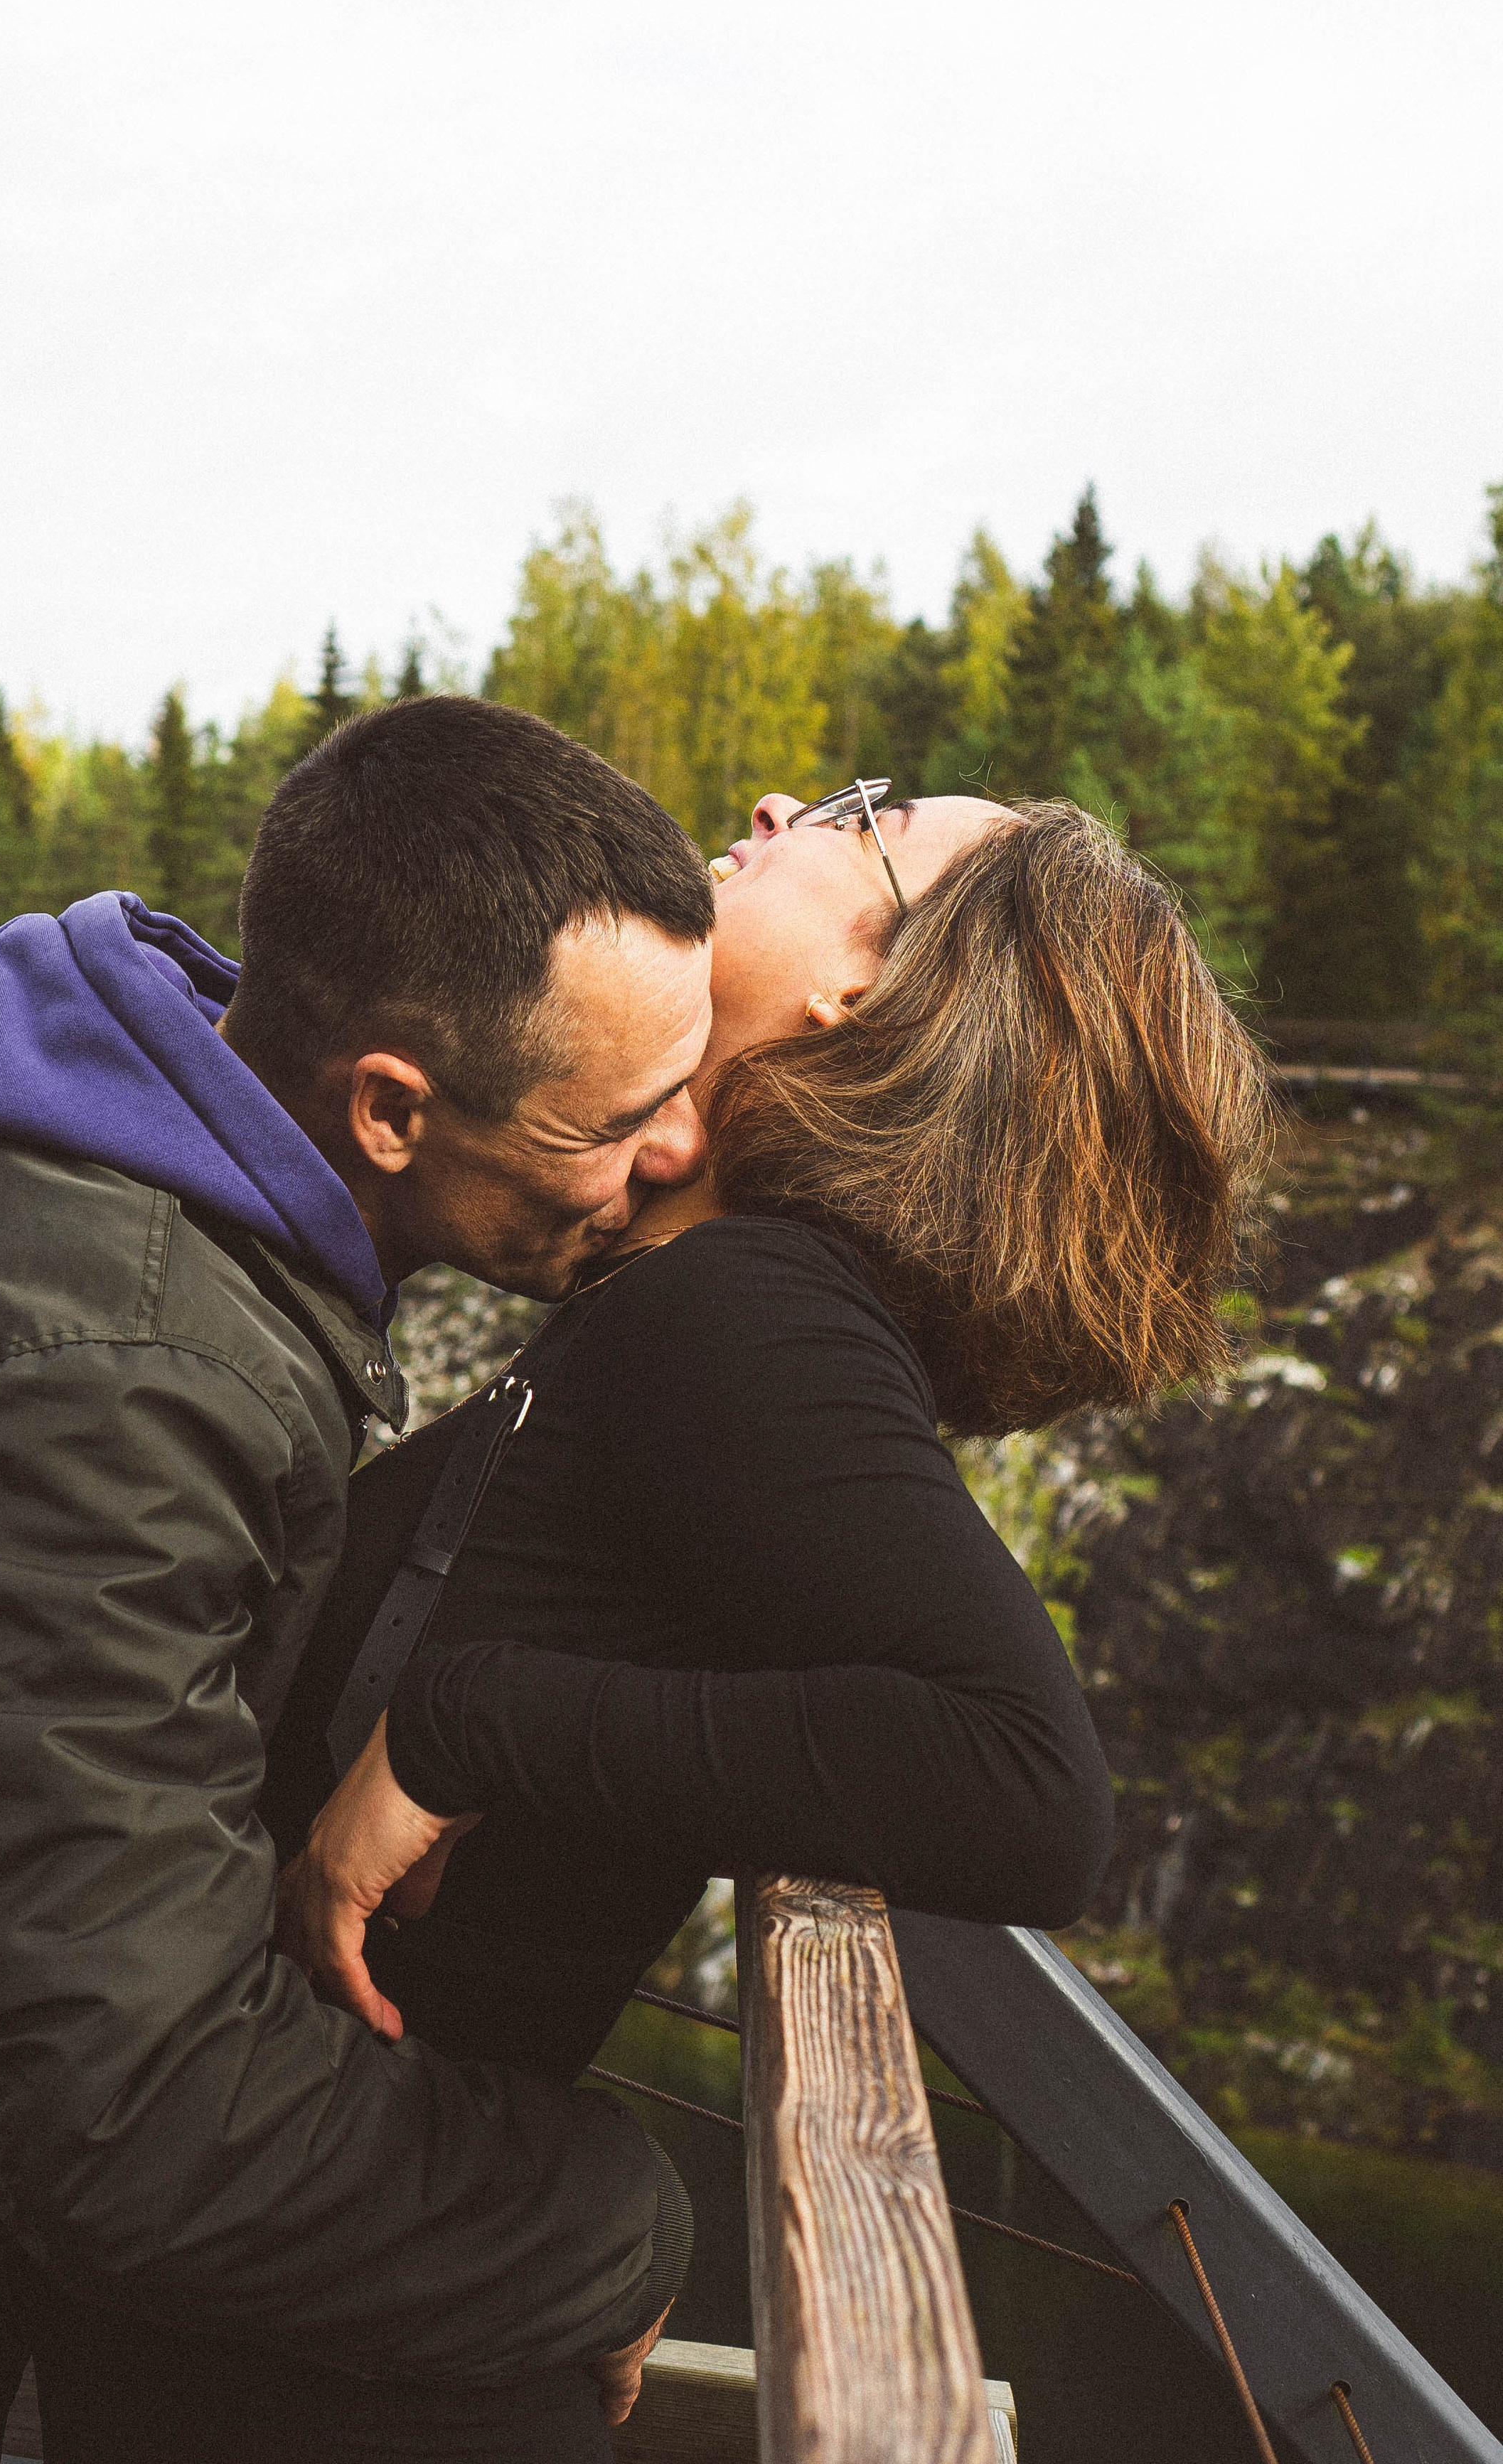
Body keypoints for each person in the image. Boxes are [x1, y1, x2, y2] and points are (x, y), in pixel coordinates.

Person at [0, 697, 720, 2464]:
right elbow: (141, 2120)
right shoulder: (90, 1381)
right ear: (391, 1108)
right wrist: (610, 2221)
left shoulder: (135, 1244)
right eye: (619, 1115)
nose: (676, 1152)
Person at [247, 783, 1272, 2460]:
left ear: (871, 992)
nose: (780, 801)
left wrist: (466, 1722)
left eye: (866, 813)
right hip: (342, 2299)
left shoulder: (749, 1309)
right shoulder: (685, 1296)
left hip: (348, 2354)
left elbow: (1023, 1791)